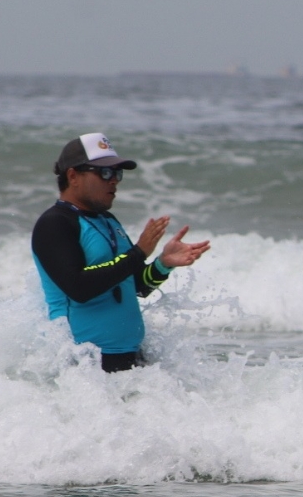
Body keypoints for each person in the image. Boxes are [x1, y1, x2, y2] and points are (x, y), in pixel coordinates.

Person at [31, 133, 211, 372]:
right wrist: (138, 253)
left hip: (131, 358)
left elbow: (135, 286)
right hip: (83, 364)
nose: (114, 180)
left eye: (117, 173)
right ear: (73, 176)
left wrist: (163, 264)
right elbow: (79, 287)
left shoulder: (107, 220)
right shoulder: (55, 223)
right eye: (105, 173)